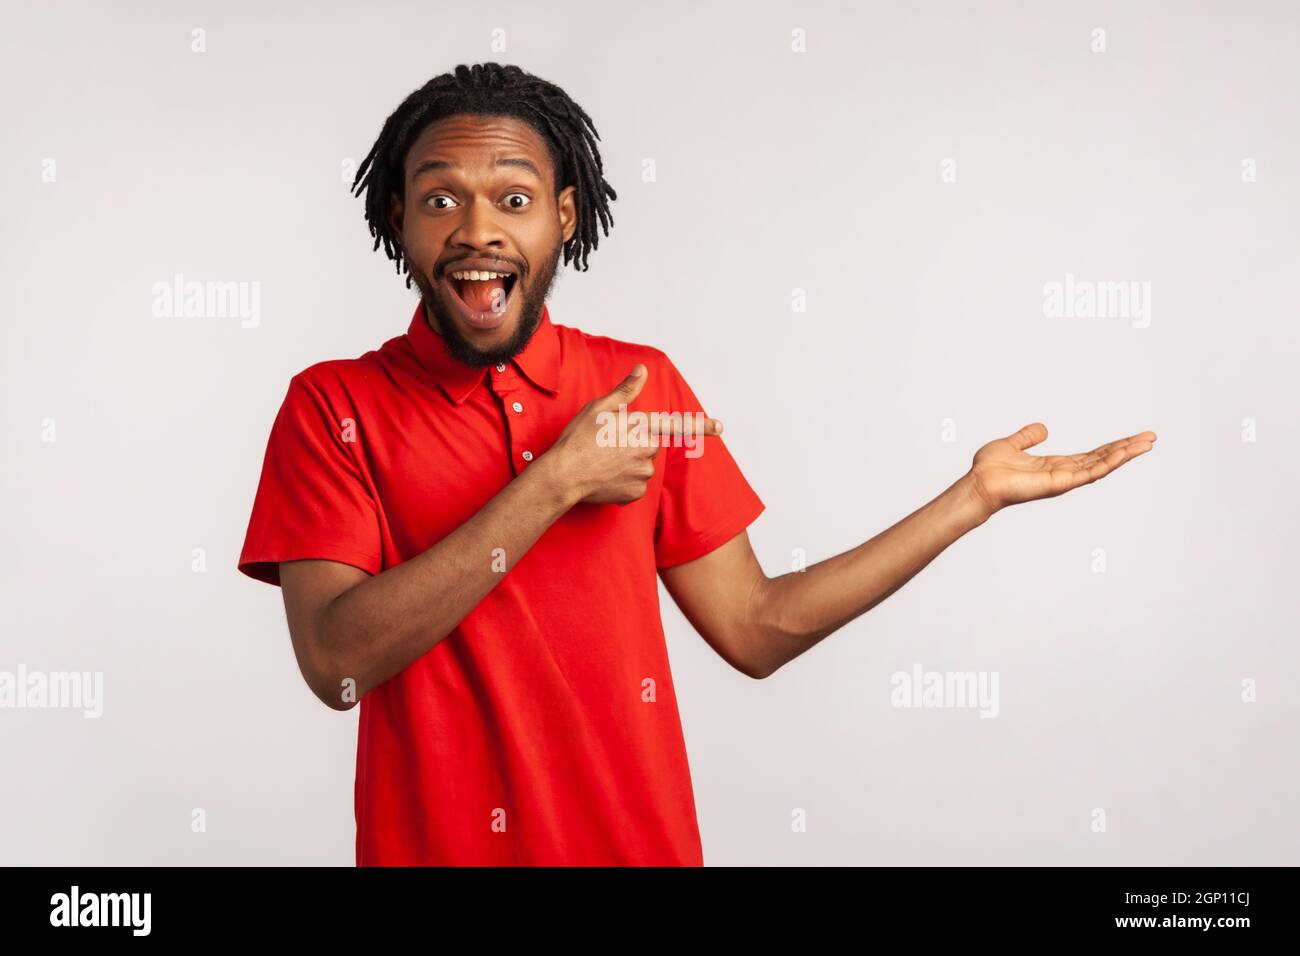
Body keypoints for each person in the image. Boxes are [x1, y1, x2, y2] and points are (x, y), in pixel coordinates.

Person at [237, 62, 1157, 866]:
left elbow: (757, 629)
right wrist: (556, 482)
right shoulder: (332, 406)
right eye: (441, 198)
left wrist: (970, 499)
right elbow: (336, 663)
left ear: (563, 217)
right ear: (398, 215)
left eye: (513, 199)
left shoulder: (640, 386)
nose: (478, 229)